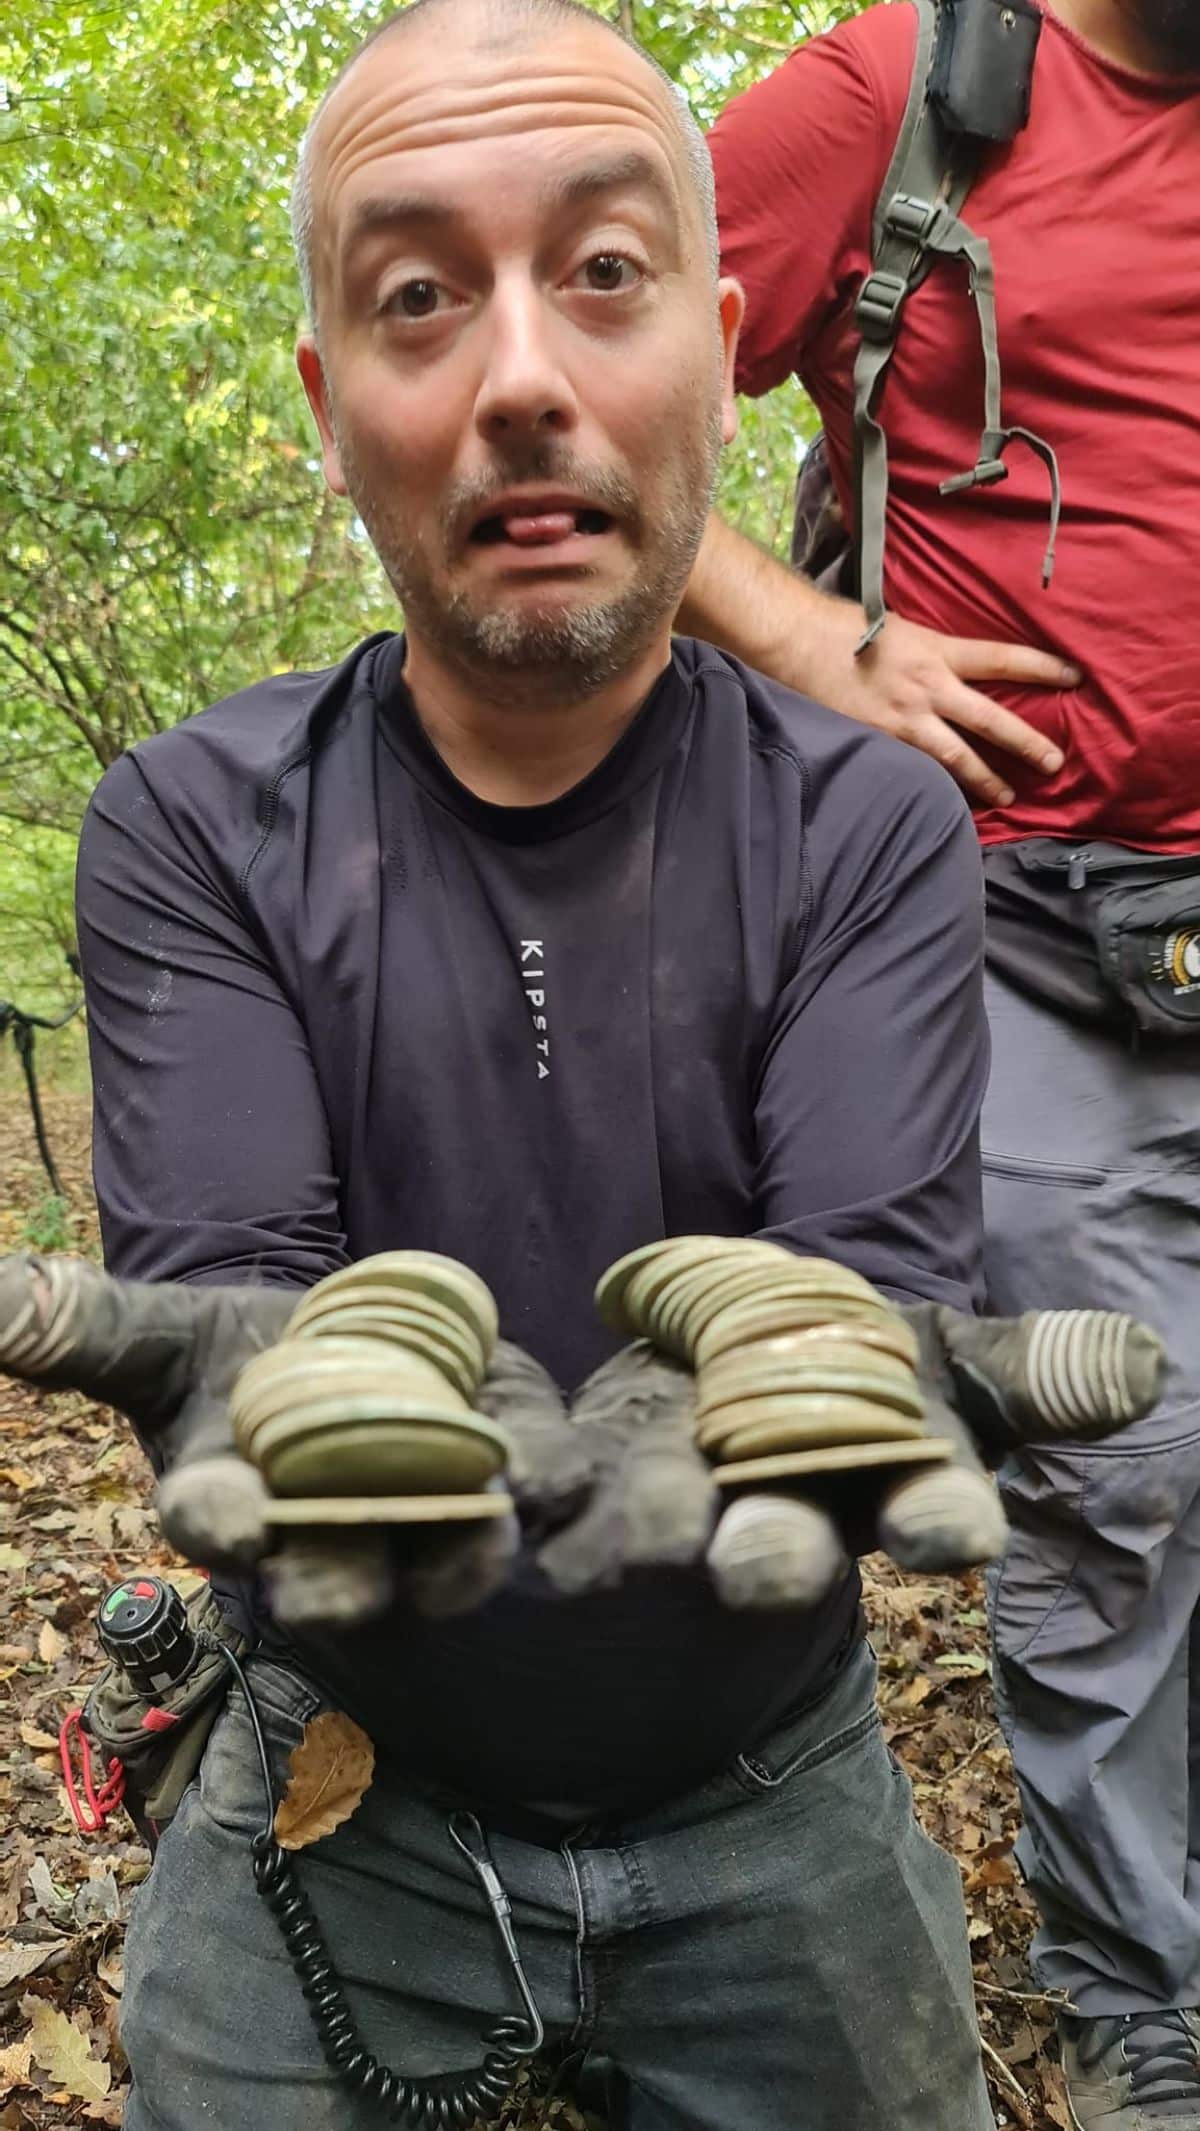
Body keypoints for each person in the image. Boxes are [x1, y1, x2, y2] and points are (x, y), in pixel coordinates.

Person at [2, 1, 1157, 2124]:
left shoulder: (873, 825)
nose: (524, 376)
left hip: (766, 1779)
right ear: (330, 407)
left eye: (604, 274)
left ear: (724, 345)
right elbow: (257, 1362)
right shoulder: (192, 823)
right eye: (421, 297)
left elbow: (850, 1335)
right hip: (341, 1773)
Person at [677, 2, 1200, 2124]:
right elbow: (572, 374)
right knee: (1130, 1464)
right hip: (1013, 916)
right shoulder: (897, 96)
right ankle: (1142, 1996)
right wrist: (804, 634)